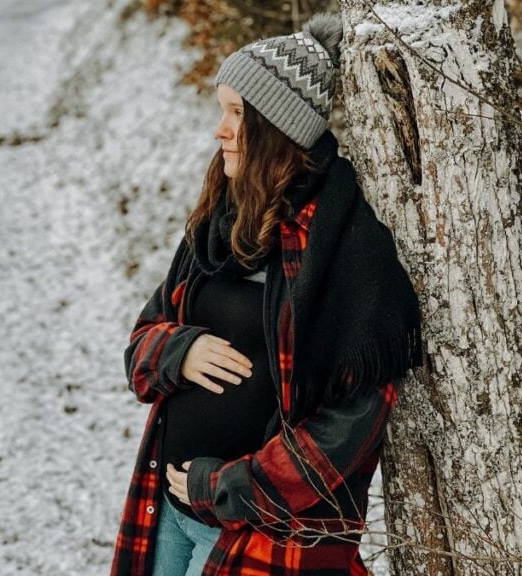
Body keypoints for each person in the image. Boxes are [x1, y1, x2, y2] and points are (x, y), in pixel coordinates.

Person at [110, 12, 423, 576]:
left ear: (278, 128)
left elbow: (349, 428)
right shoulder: (219, 220)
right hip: (166, 508)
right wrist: (180, 350)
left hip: (260, 534)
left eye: (236, 114)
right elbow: (140, 347)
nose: (219, 130)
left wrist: (229, 486)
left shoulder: (345, 248)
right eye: (221, 111)